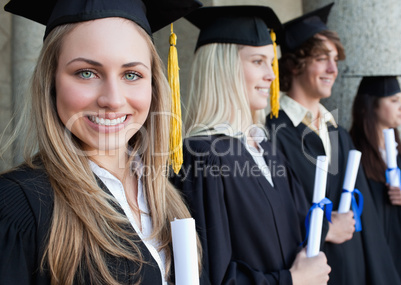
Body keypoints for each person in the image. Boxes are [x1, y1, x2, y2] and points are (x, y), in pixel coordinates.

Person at [0, 0, 207, 284]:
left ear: (154, 85)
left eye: (131, 75)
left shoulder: (166, 195)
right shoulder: (17, 207)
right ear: (50, 81)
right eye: (87, 72)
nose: (112, 99)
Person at [171, 6, 331, 285]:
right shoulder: (203, 156)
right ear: (223, 68)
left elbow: (301, 228)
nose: (271, 75)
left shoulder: (265, 148)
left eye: (271, 63)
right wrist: (291, 280)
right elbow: (212, 275)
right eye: (258, 61)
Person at [265, 3, 401, 285]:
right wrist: (327, 227)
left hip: (354, 269)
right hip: (310, 271)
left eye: (336, 60)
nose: (333, 69)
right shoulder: (272, 133)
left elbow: (371, 226)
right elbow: (271, 215)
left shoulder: (337, 132)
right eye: (322, 58)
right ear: (294, 63)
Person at [350, 75, 401, 281]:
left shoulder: (399, 154)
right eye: (393, 100)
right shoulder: (353, 154)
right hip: (370, 257)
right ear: (371, 104)